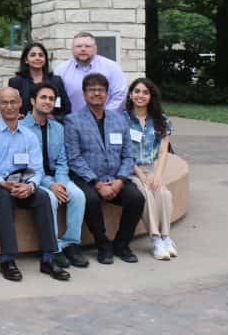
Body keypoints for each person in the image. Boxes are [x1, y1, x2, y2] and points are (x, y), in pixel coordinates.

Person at [0, 87, 70, 281]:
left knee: (44, 197)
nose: (9, 106)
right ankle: (7, 260)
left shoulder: (29, 135)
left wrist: (30, 186)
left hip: (24, 182)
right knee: (4, 200)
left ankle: (48, 258)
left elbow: (37, 169)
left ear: (20, 103)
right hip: (0, 184)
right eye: (4, 102)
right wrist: (3, 183)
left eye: (13, 102)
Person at [65, 73, 145, 264]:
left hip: (115, 178)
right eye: (92, 90)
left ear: (107, 94)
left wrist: (119, 180)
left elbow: (128, 155)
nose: (97, 94)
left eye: (101, 90)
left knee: (136, 198)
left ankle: (122, 244)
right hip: (87, 179)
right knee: (90, 200)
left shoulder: (120, 120)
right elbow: (74, 158)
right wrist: (97, 183)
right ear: (84, 94)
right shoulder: (73, 121)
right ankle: (103, 245)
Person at [20, 82, 89, 268]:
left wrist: (60, 182)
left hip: (57, 177)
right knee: (50, 198)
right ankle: (54, 248)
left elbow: (62, 161)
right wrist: (50, 185)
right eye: (43, 97)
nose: (48, 101)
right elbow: (25, 165)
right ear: (33, 101)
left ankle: (71, 243)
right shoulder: (21, 128)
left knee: (78, 196)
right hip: (33, 178)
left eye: (51, 99)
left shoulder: (58, 128)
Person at [125, 78, 177, 261]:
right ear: (130, 95)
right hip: (130, 168)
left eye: (145, 92)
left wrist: (157, 175)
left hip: (152, 167)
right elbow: (123, 151)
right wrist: (140, 174)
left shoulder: (162, 120)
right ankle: (155, 239)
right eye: (137, 91)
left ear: (151, 96)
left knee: (163, 193)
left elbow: (163, 151)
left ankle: (166, 237)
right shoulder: (122, 119)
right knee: (146, 192)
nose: (140, 95)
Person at [54, 31, 128, 113]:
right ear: (72, 49)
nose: (83, 49)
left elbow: (120, 95)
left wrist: (104, 117)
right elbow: (56, 97)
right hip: (71, 122)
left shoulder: (112, 67)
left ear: (95, 48)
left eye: (87, 46)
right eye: (78, 46)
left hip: (106, 122)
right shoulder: (60, 70)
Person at [7, 42, 70, 120]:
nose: (37, 58)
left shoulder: (56, 81)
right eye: (33, 55)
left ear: (45, 59)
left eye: (41, 55)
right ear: (26, 60)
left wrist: (55, 118)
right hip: (24, 128)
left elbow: (67, 109)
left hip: (52, 128)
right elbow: (9, 107)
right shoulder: (16, 82)